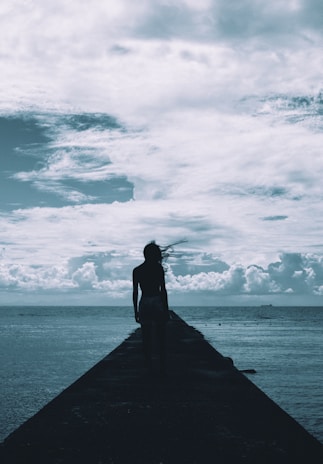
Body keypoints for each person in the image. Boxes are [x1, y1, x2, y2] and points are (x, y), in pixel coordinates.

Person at [132, 242, 170, 372]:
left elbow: (135, 292)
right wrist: (166, 309)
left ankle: (148, 365)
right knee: (161, 335)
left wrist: (135, 310)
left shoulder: (137, 270)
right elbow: (163, 290)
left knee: (146, 336)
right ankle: (163, 365)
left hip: (145, 302)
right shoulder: (158, 269)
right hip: (157, 301)